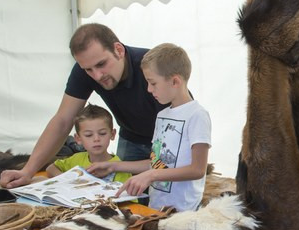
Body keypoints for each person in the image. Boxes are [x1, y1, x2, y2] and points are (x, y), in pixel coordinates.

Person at [0, 23, 169, 188]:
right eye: (88, 69)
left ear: (119, 50)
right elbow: (63, 120)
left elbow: (180, 134)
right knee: (128, 200)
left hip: (169, 139)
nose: (97, 75)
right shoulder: (84, 70)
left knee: (168, 198)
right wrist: (28, 171)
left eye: (101, 64)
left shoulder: (153, 66)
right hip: (131, 137)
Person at [87, 43, 211, 212]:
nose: (148, 89)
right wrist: (112, 166)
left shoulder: (197, 115)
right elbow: (156, 163)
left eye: (153, 83)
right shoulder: (162, 115)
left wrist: (152, 175)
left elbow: (198, 170)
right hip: (156, 208)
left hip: (183, 211)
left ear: (175, 81)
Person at [45, 104, 131, 183]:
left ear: (112, 135)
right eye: (88, 135)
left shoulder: (121, 167)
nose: (96, 139)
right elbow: (51, 168)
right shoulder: (76, 158)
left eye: (102, 133)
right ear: (78, 139)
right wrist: (66, 180)